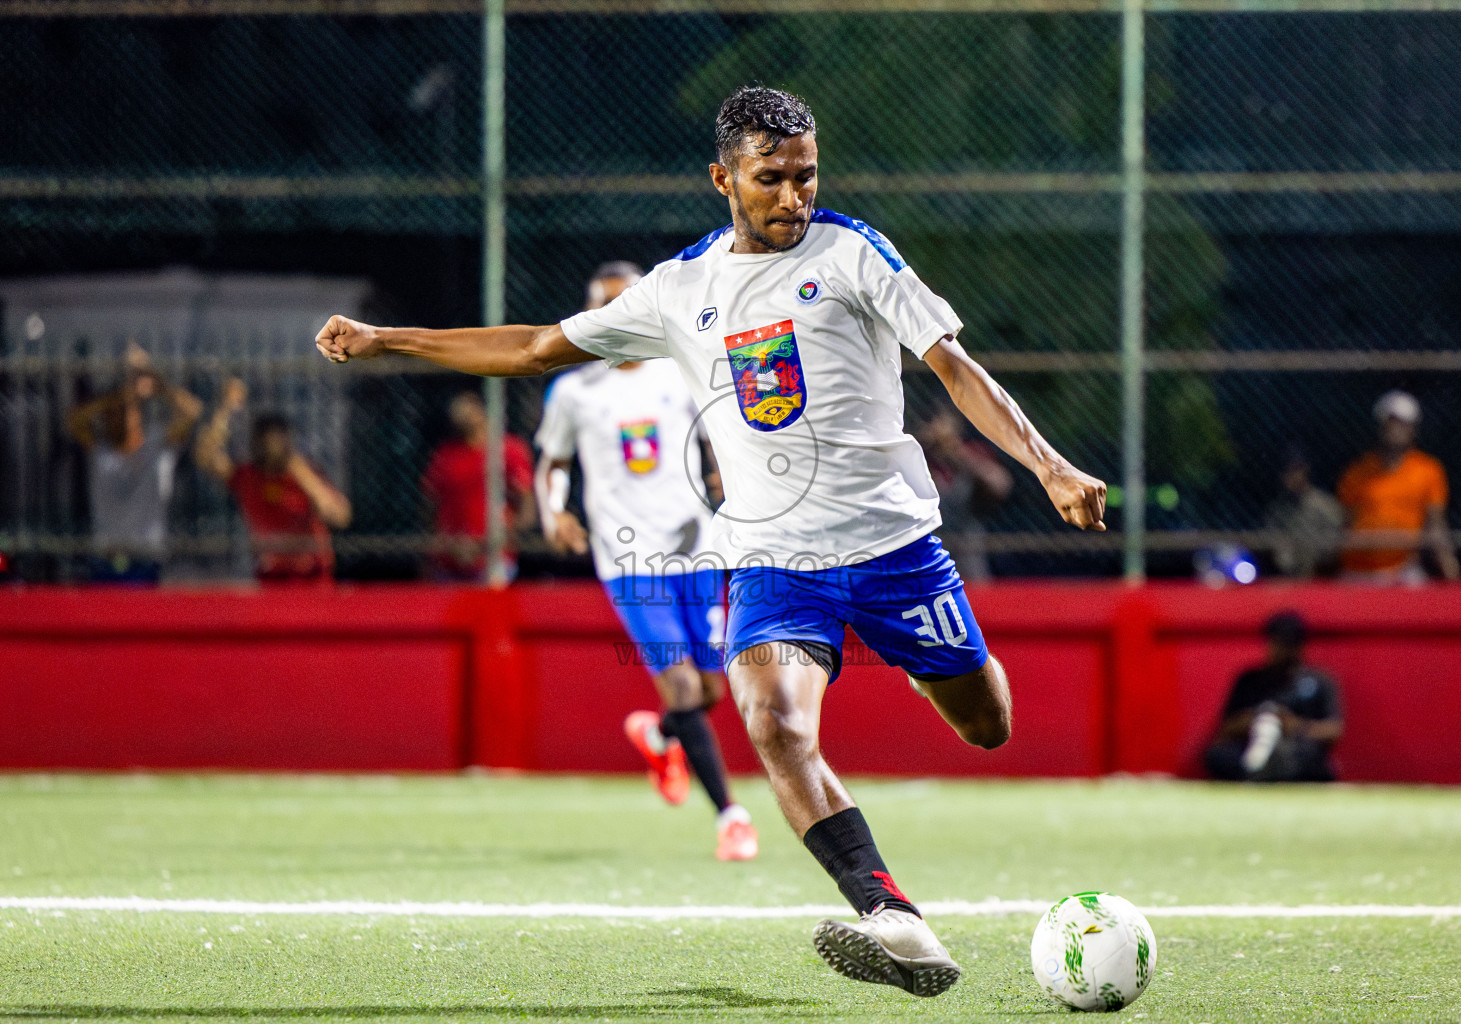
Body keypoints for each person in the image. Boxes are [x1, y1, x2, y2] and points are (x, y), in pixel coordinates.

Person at [315, 85, 1106, 998]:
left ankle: (938, 712)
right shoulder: (679, 289)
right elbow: (535, 347)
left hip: (896, 549)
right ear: (722, 177)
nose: (793, 198)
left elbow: (953, 367)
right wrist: (385, 341)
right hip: (772, 559)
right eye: (771, 179)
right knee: (772, 722)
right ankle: (890, 913)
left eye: (806, 177)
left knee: (987, 727)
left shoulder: (854, 253)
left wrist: (1047, 465)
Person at [534, 260, 756, 862]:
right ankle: (731, 817)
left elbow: (719, 439)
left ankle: (658, 734)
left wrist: (727, 479)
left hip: (698, 551)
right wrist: (554, 511)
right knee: (682, 682)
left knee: (711, 686)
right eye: (605, 308)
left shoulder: (679, 375)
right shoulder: (575, 390)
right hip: (630, 562)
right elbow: (552, 463)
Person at [66, 344, 204, 583]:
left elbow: (192, 411)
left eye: (128, 409)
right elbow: (74, 420)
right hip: (104, 563)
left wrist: (156, 383)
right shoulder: (101, 451)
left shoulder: (157, 446)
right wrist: (119, 396)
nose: (121, 415)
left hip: (146, 562)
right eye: (115, 411)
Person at [196, 378, 352, 583]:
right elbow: (206, 456)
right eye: (264, 442)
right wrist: (226, 410)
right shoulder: (248, 477)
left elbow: (341, 516)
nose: (270, 448)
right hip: (272, 578)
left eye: (276, 441)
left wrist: (300, 471)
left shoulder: (302, 473)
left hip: (312, 578)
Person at [1336, 390, 1458, 584]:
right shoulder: (1357, 472)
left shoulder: (1428, 470)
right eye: (1391, 422)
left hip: (1403, 570)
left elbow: (1436, 525)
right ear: (1381, 426)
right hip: (1358, 572)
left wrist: (1451, 572)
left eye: (1402, 423)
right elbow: (1345, 524)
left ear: (1413, 429)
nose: (1395, 428)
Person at [1205, 612, 1343, 783]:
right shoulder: (1249, 679)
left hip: (1295, 747)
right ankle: (1259, 769)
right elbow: (1225, 728)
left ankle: (1270, 768)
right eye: (1277, 643)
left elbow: (1334, 730)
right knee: (1219, 755)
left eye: (1288, 644)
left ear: (1300, 646)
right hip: (1250, 746)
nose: (1281, 650)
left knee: (1308, 757)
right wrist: (1252, 721)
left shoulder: (1319, 680)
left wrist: (1294, 726)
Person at [421, 390, 535, 582]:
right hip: (448, 562)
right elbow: (429, 506)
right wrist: (443, 545)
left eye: (469, 408)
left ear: (483, 412)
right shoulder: (445, 455)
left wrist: (497, 541)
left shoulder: (509, 449)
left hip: (494, 562)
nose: (462, 413)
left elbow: (526, 505)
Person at [918, 408, 1012, 583]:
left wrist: (955, 454)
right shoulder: (916, 457)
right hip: (927, 544)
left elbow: (1000, 485)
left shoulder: (972, 452)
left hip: (967, 545)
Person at [1262, 445, 1346, 579]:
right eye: (1287, 471)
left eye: (1296, 469)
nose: (1291, 476)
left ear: (1305, 470)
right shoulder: (1277, 510)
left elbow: (1337, 543)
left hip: (1321, 576)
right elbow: (1273, 544)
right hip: (1288, 577)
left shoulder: (1324, 504)